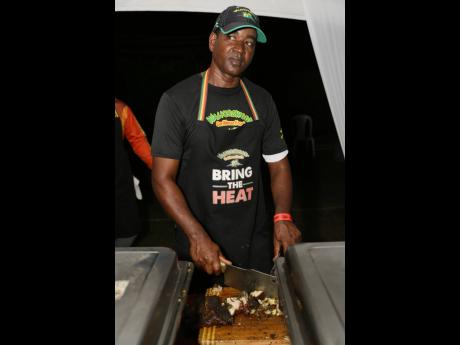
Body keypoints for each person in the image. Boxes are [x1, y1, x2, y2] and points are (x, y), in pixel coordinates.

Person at [151, 6, 302, 287]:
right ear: (212, 42)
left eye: (248, 42)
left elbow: (279, 165)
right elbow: (162, 179)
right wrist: (196, 236)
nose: (240, 48)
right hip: (200, 244)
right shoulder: (177, 100)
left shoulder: (262, 100)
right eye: (231, 37)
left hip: (255, 245)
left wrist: (282, 216)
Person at [115, 98, 153, 246]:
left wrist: (160, 170)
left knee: (128, 232)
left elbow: (138, 140)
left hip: (120, 185)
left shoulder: (119, 108)